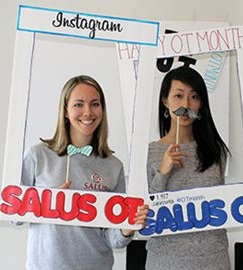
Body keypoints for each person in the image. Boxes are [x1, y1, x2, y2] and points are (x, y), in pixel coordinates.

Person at [20, 75, 149, 270]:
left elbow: (112, 239)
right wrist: (47, 201)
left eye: (95, 104)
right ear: (65, 110)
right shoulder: (38, 155)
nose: (88, 112)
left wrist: (127, 228)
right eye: (78, 104)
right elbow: (14, 215)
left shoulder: (114, 166)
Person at [145, 66, 231, 270]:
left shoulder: (215, 150)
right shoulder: (149, 153)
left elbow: (223, 200)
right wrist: (163, 172)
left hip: (214, 258)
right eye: (178, 96)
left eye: (194, 97)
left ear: (201, 104)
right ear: (165, 101)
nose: (186, 104)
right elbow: (146, 213)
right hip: (165, 260)